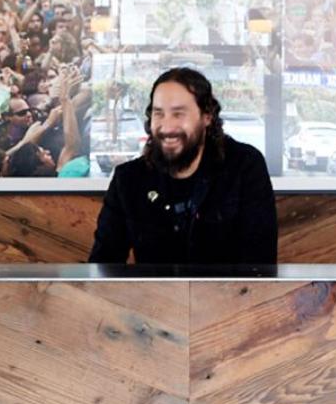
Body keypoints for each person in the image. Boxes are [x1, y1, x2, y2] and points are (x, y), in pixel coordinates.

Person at [88, 67, 278, 265]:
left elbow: (260, 264)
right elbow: (103, 263)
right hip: (152, 296)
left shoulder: (244, 166)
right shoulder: (128, 178)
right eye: (159, 114)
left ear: (207, 116)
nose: (167, 127)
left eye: (178, 114)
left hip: (231, 295)